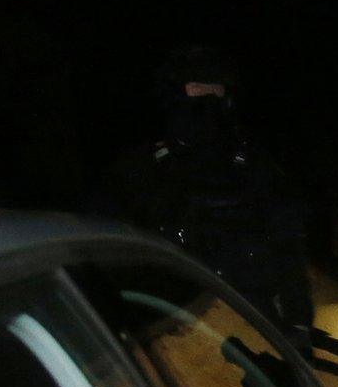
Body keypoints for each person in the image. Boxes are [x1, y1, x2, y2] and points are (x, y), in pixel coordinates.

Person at [88, 46, 313, 340]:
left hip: (251, 324)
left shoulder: (254, 165)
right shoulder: (141, 168)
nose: (205, 112)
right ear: (173, 99)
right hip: (171, 328)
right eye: (195, 95)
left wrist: (298, 324)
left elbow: (288, 247)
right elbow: (104, 248)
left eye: (214, 96)